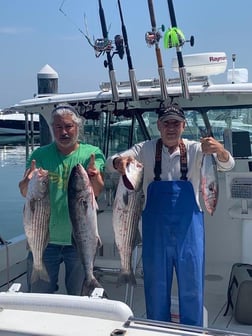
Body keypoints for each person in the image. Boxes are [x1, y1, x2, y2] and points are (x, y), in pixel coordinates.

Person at [106, 104, 235, 326]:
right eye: (167, 123)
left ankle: (192, 331)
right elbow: (111, 163)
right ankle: (157, 329)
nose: (171, 128)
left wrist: (220, 151)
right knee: (156, 286)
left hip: (189, 231)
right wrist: (119, 162)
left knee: (192, 285)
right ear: (158, 126)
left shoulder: (197, 149)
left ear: (183, 126)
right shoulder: (144, 149)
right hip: (156, 232)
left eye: (176, 123)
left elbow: (228, 165)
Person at [19, 104, 105, 295]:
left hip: (79, 242)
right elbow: (26, 193)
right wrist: (26, 181)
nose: (63, 132)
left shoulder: (92, 153)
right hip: (45, 239)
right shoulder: (39, 155)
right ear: (52, 129)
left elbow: (97, 190)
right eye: (58, 127)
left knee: (78, 296)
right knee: (39, 295)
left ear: (77, 127)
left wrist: (94, 176)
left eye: (68, 126)